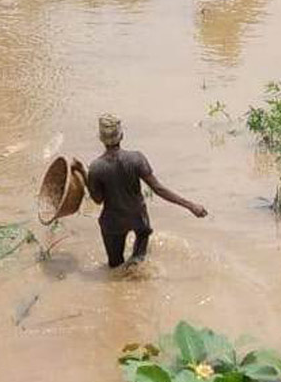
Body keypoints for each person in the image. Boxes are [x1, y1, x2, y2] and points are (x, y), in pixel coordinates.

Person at [86, 114, 207, 268]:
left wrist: (86, 180)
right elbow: (158, 189)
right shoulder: (136, 158)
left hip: (113, 222)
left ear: (101, 139)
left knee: (115, 268)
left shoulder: (96, 168)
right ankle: (138, 272)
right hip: (137, 217)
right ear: (121, 135)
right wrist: (191, 206)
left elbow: (98, 200)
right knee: (139, 254)